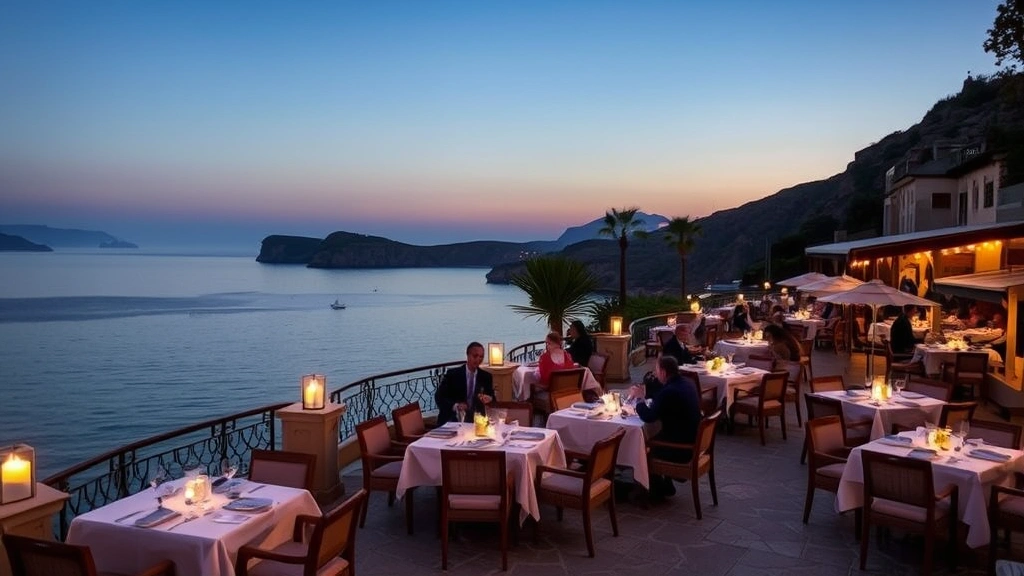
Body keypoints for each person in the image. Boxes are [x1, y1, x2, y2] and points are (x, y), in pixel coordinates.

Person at [629, 355, 701, 499]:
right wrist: (646, 394)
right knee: (654, 434)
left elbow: (649, 416)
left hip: (680, 449)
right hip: (691, 438)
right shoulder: (687, 383)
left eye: (656, 369)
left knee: (642, 446)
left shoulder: (670, 391)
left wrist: (639, 400)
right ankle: (664, 485)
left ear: (663, 372)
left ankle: (653, 489)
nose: (655, 373)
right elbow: (662, 399)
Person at [435, 342, 494, 425]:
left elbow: (493, 400)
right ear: (468, 355)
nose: (478, 360)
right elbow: (439, 397)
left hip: (477, 422)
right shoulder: (453, 374)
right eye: (475, 356)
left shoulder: (486, 377)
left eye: (481, 357)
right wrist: (456, 406)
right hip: (453, 420)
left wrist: (489, 399)